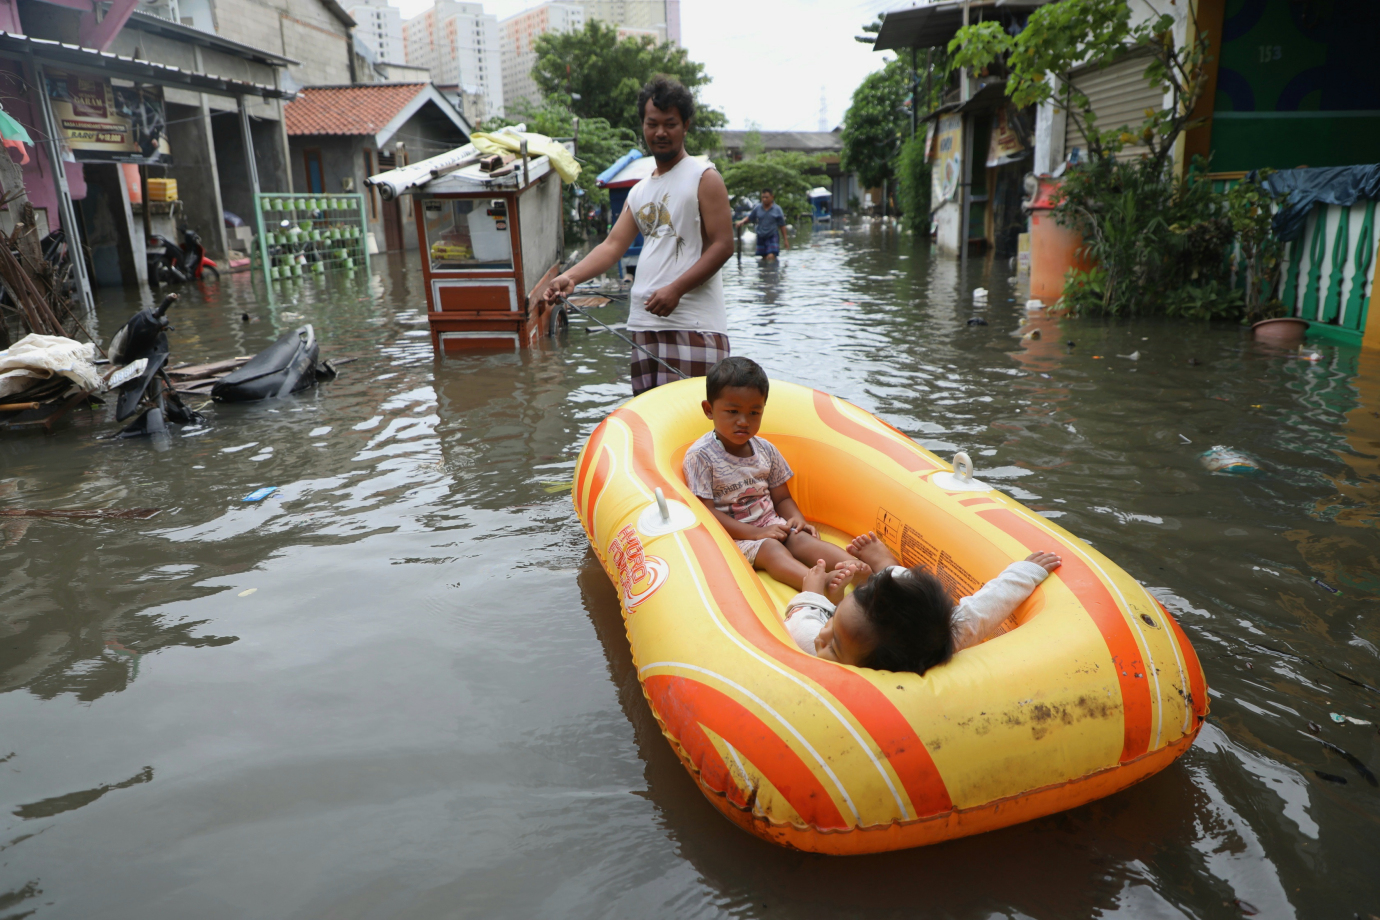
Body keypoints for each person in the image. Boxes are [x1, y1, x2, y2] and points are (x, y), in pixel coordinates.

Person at [544, 77, 735, 395]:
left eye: (670, 123)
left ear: (686, 125)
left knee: (695, 431)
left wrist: (676, 289)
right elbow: (612, 245)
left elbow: (724, 245)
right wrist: (570, 277)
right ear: (643, 126)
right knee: (651, 435)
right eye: (653, 123)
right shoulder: (639, 190)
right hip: (644, 325)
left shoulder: (704, 176)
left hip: (694, 326)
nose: (660, 132)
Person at [683, 357, 869, 598]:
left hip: (773, 524)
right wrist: (757, 534)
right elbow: (707, 513)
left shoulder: (766, 450)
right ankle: (818, 585)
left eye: (754, 412)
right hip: (738, 537)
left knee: (801, 539)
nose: (743, 421)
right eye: (732, 412)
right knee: (772, 549)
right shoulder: (701, 456)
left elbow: (781, 498)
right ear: (709, 410)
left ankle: (858, 570)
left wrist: (795, 519)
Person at [784, 533, 1062, 673]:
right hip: (880, 618)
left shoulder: (817, 649)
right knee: (904, 588)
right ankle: (885, 570)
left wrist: (812, 595)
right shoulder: (943, 637)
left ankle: (848, 592)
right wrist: (1024, 573)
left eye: (834, 646)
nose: (822, 638)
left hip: (831, 618)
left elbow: (800, 625)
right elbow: (984, 606)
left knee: (811, 612)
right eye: (831, 627)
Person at [734, 188, 789, 260]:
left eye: (766, 197)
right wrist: (742, 222)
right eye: (763, 197)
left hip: (772, 235)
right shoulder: (758, 208)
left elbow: (782, 225)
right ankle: (765, 271)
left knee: (771, 256)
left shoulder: (777, 209)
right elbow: (750, 218)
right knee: (764, 258)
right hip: (761, 235)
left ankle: (773, 270)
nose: (764, 199)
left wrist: (785, 240)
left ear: (772, 197)